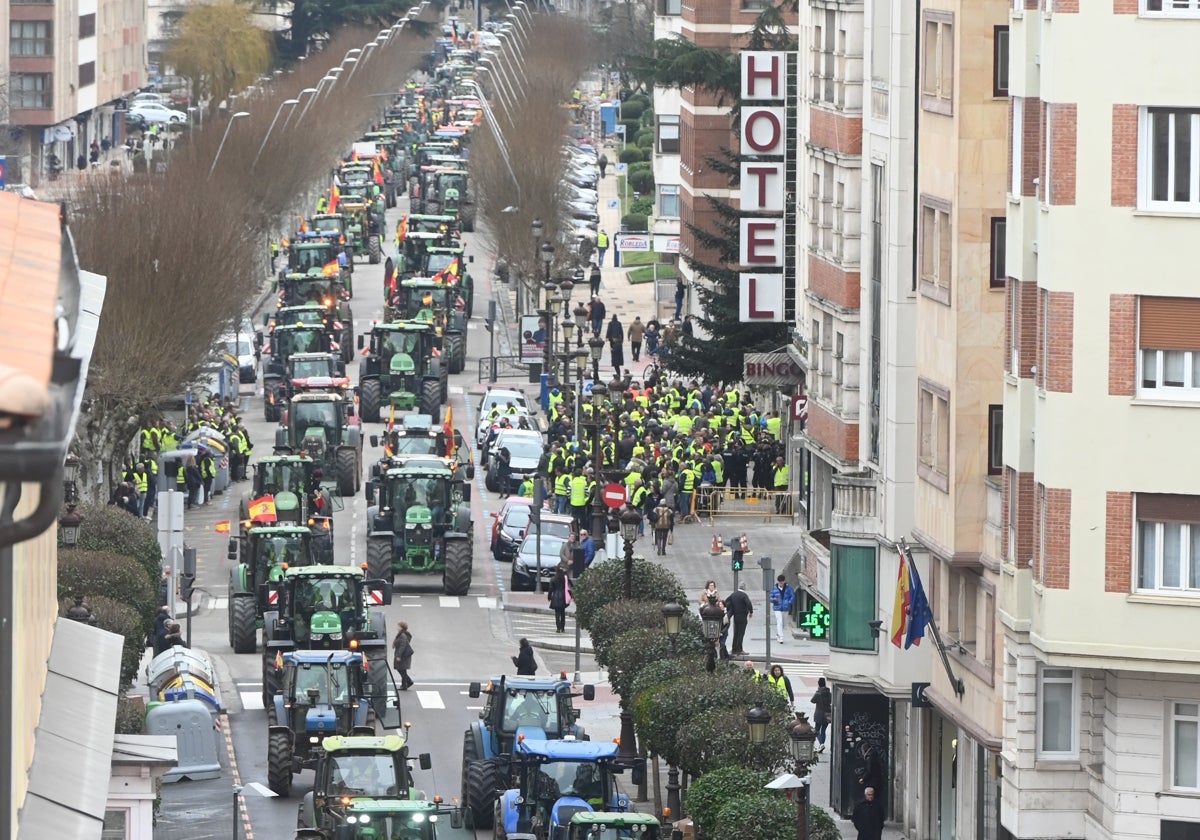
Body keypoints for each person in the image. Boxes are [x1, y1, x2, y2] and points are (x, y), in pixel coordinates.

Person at [724, 582, 753, 655]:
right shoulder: (744, 595)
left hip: (735, 617)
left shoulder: (734, 594)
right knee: (741, 633)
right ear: (744, 588)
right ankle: (739, 649)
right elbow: (748, 603)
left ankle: (734, 649)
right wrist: (751, 612)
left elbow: (727, 601)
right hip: (742, 616)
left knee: (736, 633)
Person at [769, 574, 795, 644]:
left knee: (784, 624)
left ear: (784, 581)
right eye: (780, 582)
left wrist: (789, 602)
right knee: (779, 621)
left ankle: (778, 634)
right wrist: (774, 599)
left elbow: (792, 596)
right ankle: (781, 636)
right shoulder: (774, 589)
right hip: (777, 607)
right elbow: (770, 598)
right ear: (778, 582)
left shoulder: (788, 588)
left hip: (785, 608)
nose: (781, 584)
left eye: (782, 582)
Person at [547, 565, 571, 632]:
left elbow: (551, 589)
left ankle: (558, 628)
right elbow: (569, 586)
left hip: (555, 596)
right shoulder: (565, 578)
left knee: (557, 613)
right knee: (562, 612)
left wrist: (549, 597)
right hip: (563, 596)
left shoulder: (553, 579)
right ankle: (563, 628)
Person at [811, 677, 832, 751]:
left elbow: (812, 700)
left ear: (819, 684)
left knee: (817, 730)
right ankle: (821, 745)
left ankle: (821, 744)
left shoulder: (818, 693)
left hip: (819, 714)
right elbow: (831, 701)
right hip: (827, 714)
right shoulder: (829, 693)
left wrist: (817, 691)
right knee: (823, 730)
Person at [392, 621, 414, 690]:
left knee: (401, 670)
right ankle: (405, 684)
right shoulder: (401, 634)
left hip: (403, 656)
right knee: (402, 670)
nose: (397, 627)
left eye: (398, 626)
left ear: (401, 627)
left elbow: (403, 646)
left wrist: (399, 655)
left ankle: (407, 683)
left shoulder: (402, 635)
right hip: (403, 655)